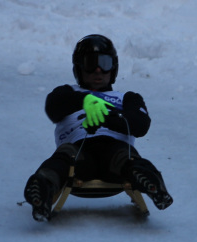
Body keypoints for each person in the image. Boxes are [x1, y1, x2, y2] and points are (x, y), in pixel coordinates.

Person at [24, 34, 173, 221]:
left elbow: (141, 125)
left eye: (104, 63)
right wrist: (84, 100)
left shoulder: (127, 98)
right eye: (90, 63)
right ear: (79, 67)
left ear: (114, 67)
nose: (98, 70)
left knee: (126, 156)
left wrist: (108, 119)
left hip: (115, 157)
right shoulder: (67, 93)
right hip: (78, 155)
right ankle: (44, 188)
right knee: (65, 157)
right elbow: (53, 107)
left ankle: (151, 183)